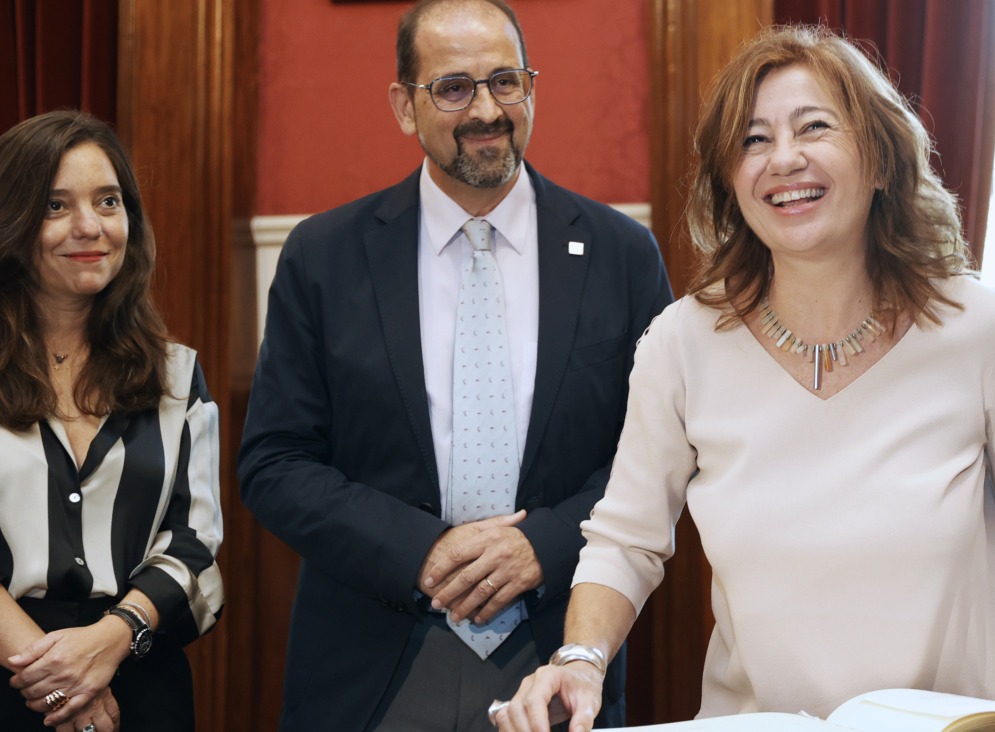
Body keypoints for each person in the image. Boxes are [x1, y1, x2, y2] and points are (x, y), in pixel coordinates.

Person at [496, 24, 995, 732]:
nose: (784, 159)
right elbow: (626, 541)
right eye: (753, 140)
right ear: (729, 180)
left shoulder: (976, 327)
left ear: (882, 161)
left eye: (814, 127)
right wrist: (581, 657)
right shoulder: (681, 343)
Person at [236, 0, 672, 730]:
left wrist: (545, 543)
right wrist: (422, 552)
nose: (487, 109)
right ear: (404, 106)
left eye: (506, 81)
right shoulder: (324, 256)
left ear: (532, 88)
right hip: (374, 659)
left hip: (560, 655)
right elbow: (275, 464)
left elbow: (654, 456)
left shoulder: (621, 255)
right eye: (453, 88)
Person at [0, 110, 224, 732]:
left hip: (142, 680)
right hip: (11, 680)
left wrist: (110, 638)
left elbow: (195, 541)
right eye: (55, 205)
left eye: (108, 201)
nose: (89, 226)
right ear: (13, 220)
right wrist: (62, 683)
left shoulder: (178, 375)